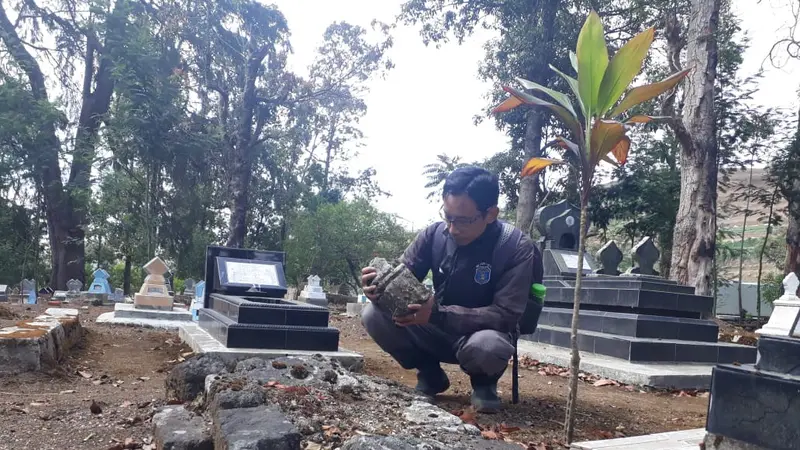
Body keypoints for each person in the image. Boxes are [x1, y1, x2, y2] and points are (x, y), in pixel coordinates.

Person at [360, 166, 544, 412]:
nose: (452, 228)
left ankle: (484, 382)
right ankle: (430, 373)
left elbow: (507, 315)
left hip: (481, 335)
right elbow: (403, 274)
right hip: (432, 328)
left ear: (490, 214)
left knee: (488, 346)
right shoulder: (435, 235)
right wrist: (380, 286)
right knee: (373, 315)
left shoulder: (515, 247)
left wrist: (438, 314)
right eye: (448, 216)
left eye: (463, 220)